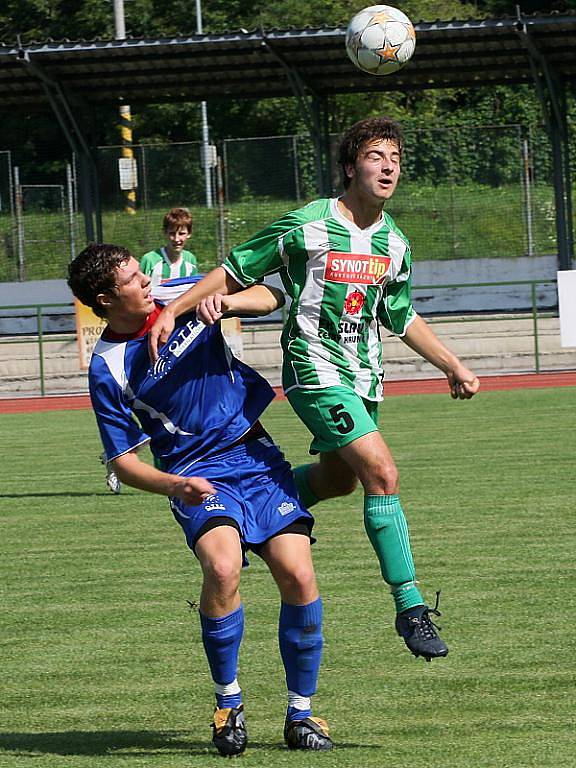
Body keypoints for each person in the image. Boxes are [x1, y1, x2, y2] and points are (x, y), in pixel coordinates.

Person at [147, 117, 481, 663]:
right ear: (351, 167)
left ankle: (259, 502)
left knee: (339, 481)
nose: (389, 165)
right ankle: (411, 605)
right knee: (383, 473)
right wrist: (177, 308)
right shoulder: (310, 223)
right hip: (314, 371)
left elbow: (400, 315)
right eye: (375, 155)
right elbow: (235, 268)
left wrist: (451, 364)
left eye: (394, 157)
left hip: (364, 377)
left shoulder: (395, 243)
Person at [67, 244, 333, 755]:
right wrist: (174, 485)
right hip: (196, 474)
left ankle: (302, 712)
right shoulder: (108, 366)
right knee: (224, 568)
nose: (147, 281)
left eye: (143, 272)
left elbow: (270, 295)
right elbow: (123, 462)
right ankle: (227, 703)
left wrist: (228, 305)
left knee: (299, 576)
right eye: (132, 279)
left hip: (255, 455)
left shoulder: (180, 292)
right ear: (105, 298)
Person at [140, 207, 199, 290]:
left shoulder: (190, 259)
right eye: (172, 233)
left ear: (189, 234)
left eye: (181, 234)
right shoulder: (150, 260)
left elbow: (195, 290)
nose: (176, 239)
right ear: (165, 232)